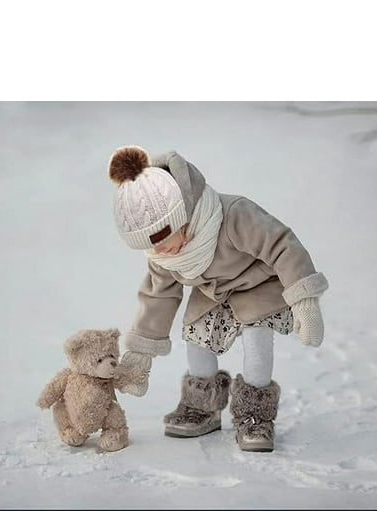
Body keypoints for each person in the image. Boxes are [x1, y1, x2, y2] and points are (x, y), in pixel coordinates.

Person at [107, 145, 328, 452]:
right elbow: (159, 294)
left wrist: (305, 301)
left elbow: (283, 247)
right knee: (196, 337)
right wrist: (141, 352)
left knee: (256, 340)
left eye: (160, 238)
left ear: (181, 213)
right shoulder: (164, 255)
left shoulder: (233, 215)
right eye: (146, 245)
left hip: (258, 285)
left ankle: (255, 415)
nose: (157, 251)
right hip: (213, 293)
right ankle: (202, 406)